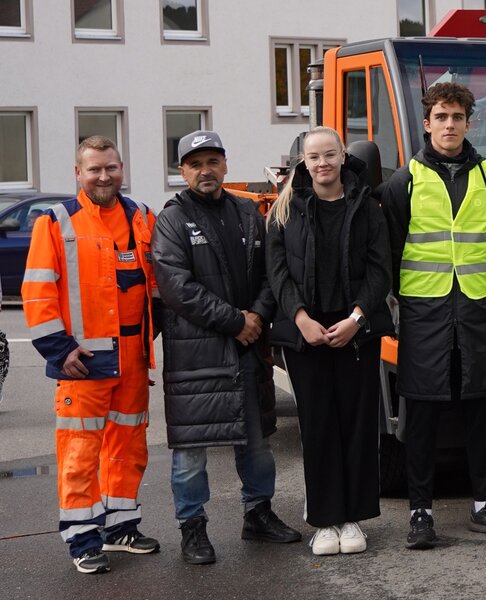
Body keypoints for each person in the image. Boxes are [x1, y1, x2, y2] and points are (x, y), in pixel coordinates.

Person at [153, 130, 302, 566]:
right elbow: (177, 288)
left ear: (225, 165)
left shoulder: (248, 213)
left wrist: (257, 315)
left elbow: (272, 273)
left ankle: (258, 515)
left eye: (213, 161)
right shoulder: (171, 221)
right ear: (182, 171)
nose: (206, 171)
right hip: (196, 358)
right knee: (191, 454)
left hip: (247, 351)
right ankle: (192, 528)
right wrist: (238, 322)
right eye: (196, 164)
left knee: (256, 444)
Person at [381, 82, 486, 549]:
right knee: (421, 415)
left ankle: (484, 503)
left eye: (457, 117)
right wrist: (404, 307)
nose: (450, 125)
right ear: (427, 123)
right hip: (425, 313)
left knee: (482, 409)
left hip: (479, 309)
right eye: (441, 117)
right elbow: (391, 251)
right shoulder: (404, 181)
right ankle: (420, 512)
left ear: (468, 123)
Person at [23, 136, 161, 574]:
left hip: (133, 359)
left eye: (111, 168)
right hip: (81, 362)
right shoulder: (56, 221)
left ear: (122, 168)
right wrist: (59, 349)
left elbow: (157, 284)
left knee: (129, 446)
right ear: (78, 173)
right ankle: (82, 539)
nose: (104, 177)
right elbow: (37, 291)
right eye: (95, 169)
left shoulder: (142, 217)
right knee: (79, 453)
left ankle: (120, 527)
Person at [265, 126, 395, 555]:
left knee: (357, 425)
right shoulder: (285, 208)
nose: (322, 163)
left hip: (355, 331)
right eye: (314, 156)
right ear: (304, 162)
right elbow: (276, 271)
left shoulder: (367, 205)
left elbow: (380, 269)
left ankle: (353, 518)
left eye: (329, 154)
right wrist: (300, 317)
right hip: (307, 335)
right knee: (318, 426)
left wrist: (357, 318)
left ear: (342, 156)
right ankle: (324, 521)